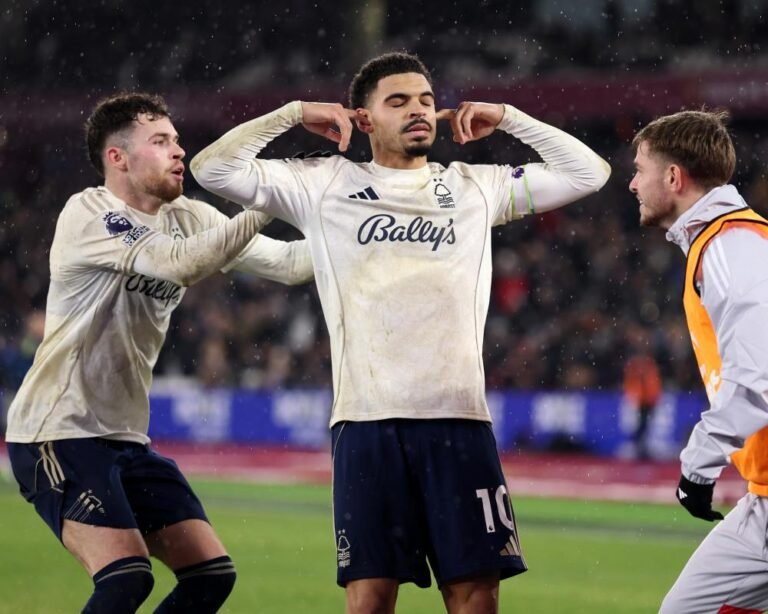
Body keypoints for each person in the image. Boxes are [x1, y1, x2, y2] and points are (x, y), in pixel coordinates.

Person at [192, 51, 610, 614]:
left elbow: (590, 173)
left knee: (476, 597)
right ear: (362, 120)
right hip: (367, 420)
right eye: (398, 102)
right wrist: (292, 113)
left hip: (459, 419)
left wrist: (509, 117)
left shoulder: (474, 187)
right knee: (369, 599)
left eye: (426, 100)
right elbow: (212, 169)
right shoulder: (322, 183)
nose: (418, 111)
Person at [4, 92, 313, 614]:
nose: (179, 151)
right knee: (126, 578)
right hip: (56, 432)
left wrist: (362, 237)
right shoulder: (90, 213)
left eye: (176, 138)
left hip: (125, 438)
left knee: (210, 576)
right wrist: (266, 206)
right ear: (117, 157)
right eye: (161, 141)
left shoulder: (187, 214)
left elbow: (285, 264)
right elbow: (178, 265)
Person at [629, 109, 768, 613]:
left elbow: (759, 375)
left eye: (640, 169)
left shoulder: (731, 245)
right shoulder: (727, 242)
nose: (631, 183)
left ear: (673, 177)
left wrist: (698, 464)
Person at [622, 327, 663, 459]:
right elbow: (635, 382)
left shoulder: (646, 364)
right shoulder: (639, 364)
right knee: (642, 424)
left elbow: (651, 382)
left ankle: (639, 446)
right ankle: (637, 446)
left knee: (644, 424)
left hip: (647, 399)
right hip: (642, 399)